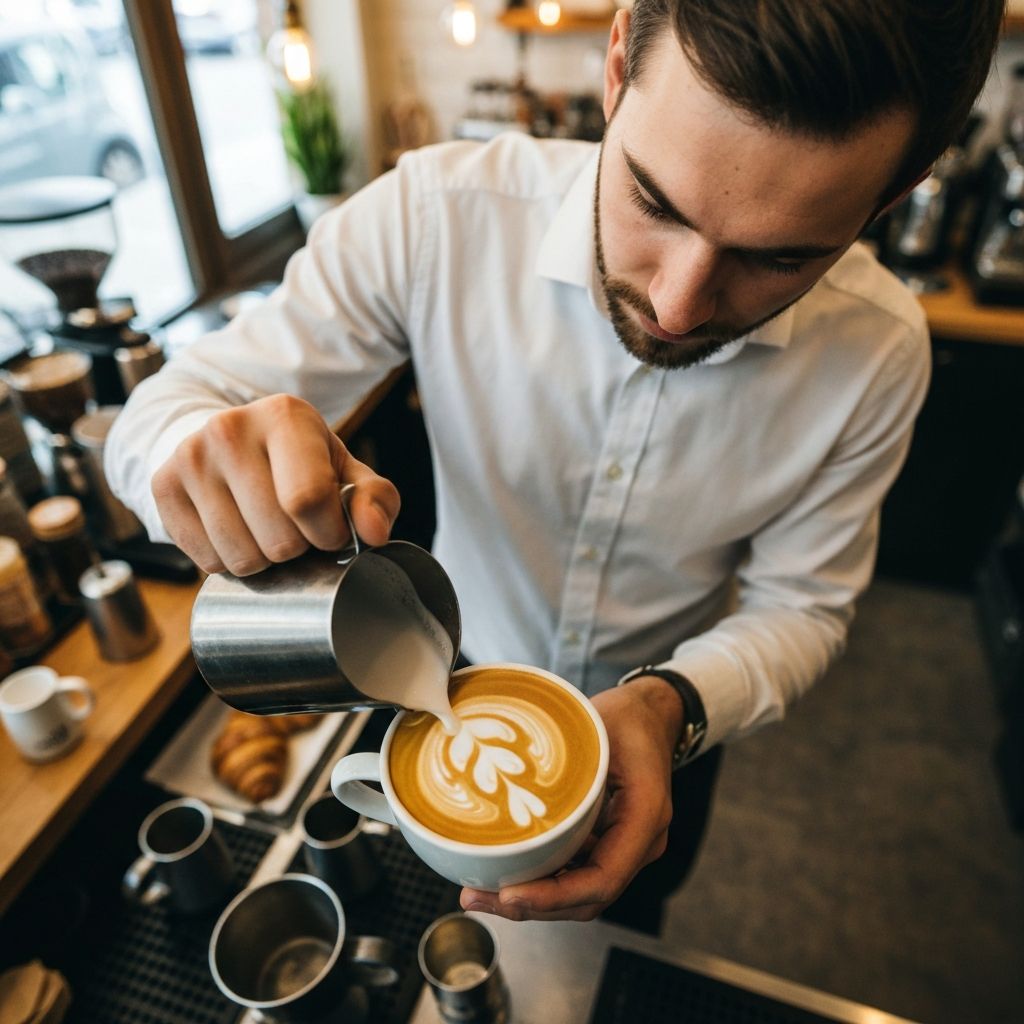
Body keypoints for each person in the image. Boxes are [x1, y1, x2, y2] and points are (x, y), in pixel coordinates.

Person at [107, 0, 1004, 934]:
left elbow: (804, 606)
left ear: (893, 196)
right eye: (655, 202)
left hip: (669, 725)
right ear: (617, 66)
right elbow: (162, 414)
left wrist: (672, 707)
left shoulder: (877, 351)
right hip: (442, 681)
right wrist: (196, 455)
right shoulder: (435, 215)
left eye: (777, 259)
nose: (679, 306)